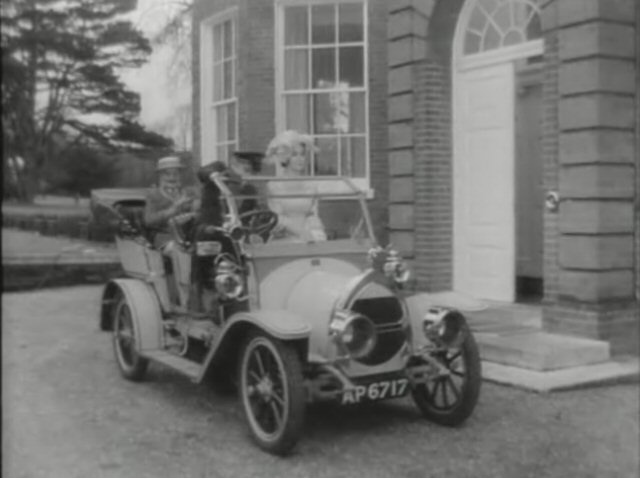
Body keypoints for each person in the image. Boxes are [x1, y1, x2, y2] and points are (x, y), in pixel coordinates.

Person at [265, 130, 327, 242]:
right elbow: (278, 218)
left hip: (309, 235)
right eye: (294, 155)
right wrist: (301, 233)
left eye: (302, 154)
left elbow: (312, 214)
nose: (300, 159)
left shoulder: (311, 185)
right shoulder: (274, 186)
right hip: (284, 237)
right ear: (285, 157)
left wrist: (316, 232)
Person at [144, 156, 199, 250]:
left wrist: (193, 214)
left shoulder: (189, 192)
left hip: (189, 236)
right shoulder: (154, 194)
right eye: (167, 174)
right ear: (160, 176)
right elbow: (149, 220)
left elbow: (200, 212)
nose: (172, 178)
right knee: (177, 249)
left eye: (175, 174)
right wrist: (173, 209)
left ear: (180, 175)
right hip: (165, 237)